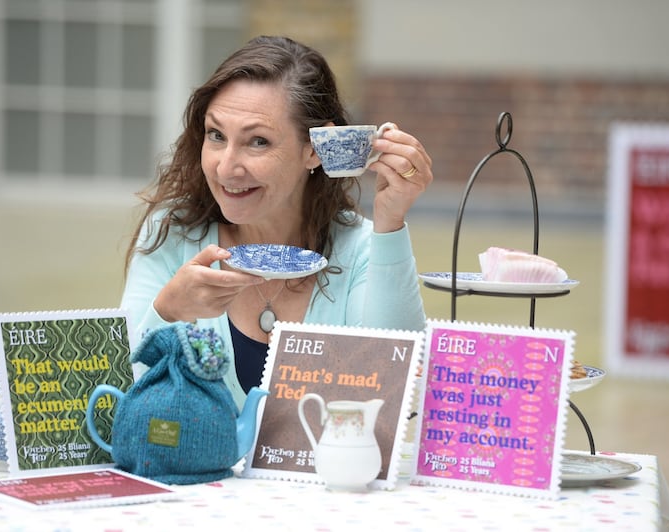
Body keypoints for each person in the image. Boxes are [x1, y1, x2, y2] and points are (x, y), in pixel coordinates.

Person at [121, 35, 434, 409]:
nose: (226, 167)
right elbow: (120, 400)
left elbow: (401, 396)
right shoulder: (171, 233)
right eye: (217, 136)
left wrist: (390, 222)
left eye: (258, 142)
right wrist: (167, 312)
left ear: (315, 149)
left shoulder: (364, 247)